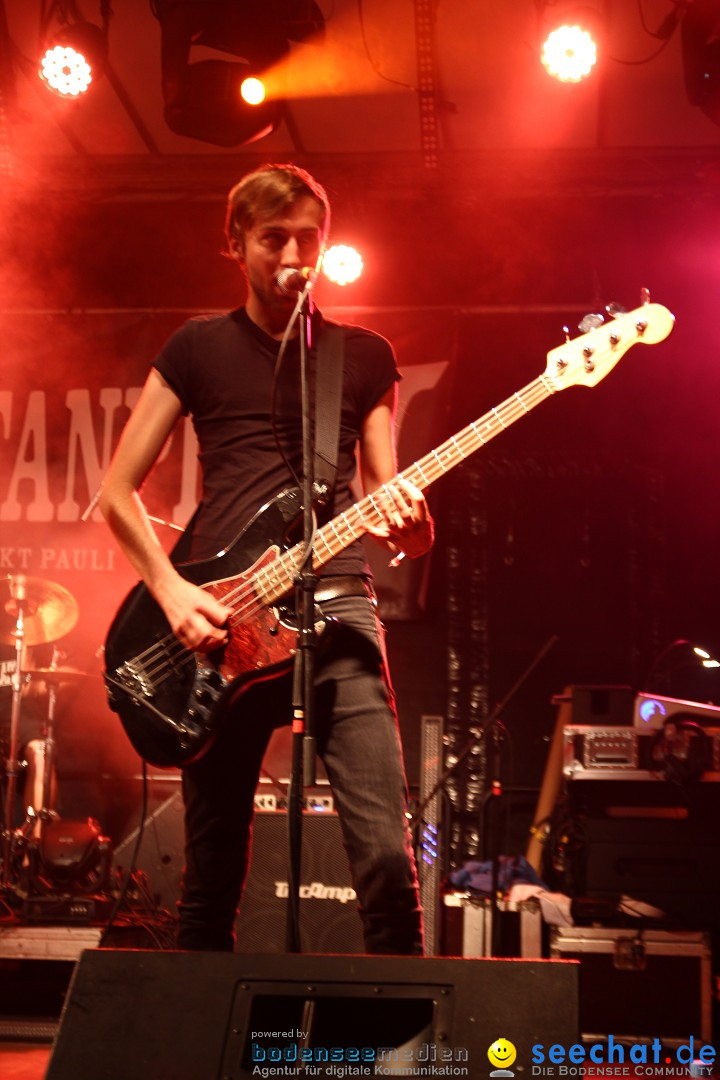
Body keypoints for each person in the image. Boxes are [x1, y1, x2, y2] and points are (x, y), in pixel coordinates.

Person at [99, 163, 434, 953]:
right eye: (273, 237)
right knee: (211, 877)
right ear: (237, 244)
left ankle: (418, 1052)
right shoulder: (196, 347)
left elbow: (392, 507)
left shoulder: (362, 356)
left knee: (387, 856)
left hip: (339, 599)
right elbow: (115, 493)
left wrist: (414, 527)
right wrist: (175, 594)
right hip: (221, 615)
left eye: (308, 237)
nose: (293, 253)